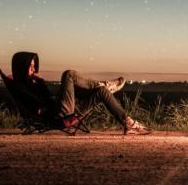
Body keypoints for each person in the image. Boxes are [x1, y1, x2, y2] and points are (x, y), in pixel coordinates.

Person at [9, 51, 152, 135]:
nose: (34, 69)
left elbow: (46, 98)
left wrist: (41, 84)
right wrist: (41, 86)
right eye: (30, 66)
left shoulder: (31, 83)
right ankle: (104, 84)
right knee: (69, 74)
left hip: (59, 109)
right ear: (21, 67)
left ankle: (128, 123)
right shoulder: (20, 86)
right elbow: (38, 106)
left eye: (34, 66)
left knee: (101, 92)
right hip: (59, 116)